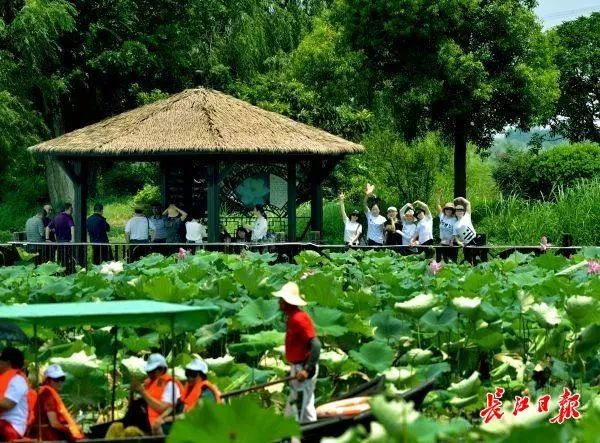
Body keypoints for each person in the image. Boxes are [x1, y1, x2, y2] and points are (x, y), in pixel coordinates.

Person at [274, 282, 321, 423]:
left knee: (298, 407)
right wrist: (293, 369)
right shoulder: (291, 318)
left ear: (288, 302)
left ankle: (300, 436)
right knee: (303, 407)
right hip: (298, 367)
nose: (279, 302)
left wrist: (306, 370)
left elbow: (316, 345)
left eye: (282, 299)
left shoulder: (299, 318)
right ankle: (311, 433)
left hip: (304, 368)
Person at [153, 358, 221, 435]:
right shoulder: (188, 389)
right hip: (185, 422)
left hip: (200, 427)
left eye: (193, 374)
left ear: (201, 375)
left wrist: (167, 419)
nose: (189, 378)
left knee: (161, 428)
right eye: (187, 373)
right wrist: (161, 418)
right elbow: (175, 406)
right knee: (156, 425)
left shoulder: (206, 392)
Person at [29, 364, 84, 442]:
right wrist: (69, 430)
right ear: (47, 380)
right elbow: (54, 423)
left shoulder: (41, 392)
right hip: (47, 437)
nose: (59, 382)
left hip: (35, 435)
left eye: (62, 379)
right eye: (56, 379)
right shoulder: (48, 395)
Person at [131, 354, 182, 435]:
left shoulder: (170, 384)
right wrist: (132, 392)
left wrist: (142, 392)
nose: (149, 374)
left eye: (152, 371)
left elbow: (163, 408)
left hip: (159, 424)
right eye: (148, 371)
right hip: (144, 422)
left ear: (161, 370)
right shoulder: (148, 383)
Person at [0, 347, 29, 441]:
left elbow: (7, 405)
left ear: (7, 362)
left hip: (11, 426)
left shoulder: (18, 380)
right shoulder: (4, 379)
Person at [46, 203, 75, 272]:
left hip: (58, 243)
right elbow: (72, 227)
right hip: (67, 242)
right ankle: (67, 272)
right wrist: (73, 239)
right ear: (67, 209)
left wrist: (47, 238)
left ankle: (59, 273)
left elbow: (47, 227)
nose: (72, 211)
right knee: (67, 258)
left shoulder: (56, 217)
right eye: (71, 209)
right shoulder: (68, 217)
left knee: (60, 259)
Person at [452, 197, 478, 264]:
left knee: (476, 259)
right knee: (467, 260)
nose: (459, 211)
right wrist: (459, 242)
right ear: (455, 212)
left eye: (461, 210)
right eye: (457, 210)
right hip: (466, 243)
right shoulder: (455, 224)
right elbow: (456, 236)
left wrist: (461, 198)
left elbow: (468, 203)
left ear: (463, 211)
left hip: (474, 240)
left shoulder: (467, 216)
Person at [436, 190, 458, 262]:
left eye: (450, 209)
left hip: (451, 243)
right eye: (447, 209)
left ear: (453, 211)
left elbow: (455, 231)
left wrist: (451, 242)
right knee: (441, 261)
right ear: (444, 210)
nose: (448, 210)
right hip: (442, 242)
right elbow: (438, 205)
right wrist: (439, 195)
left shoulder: (454, 219)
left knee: (451, 262)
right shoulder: (442, 216)